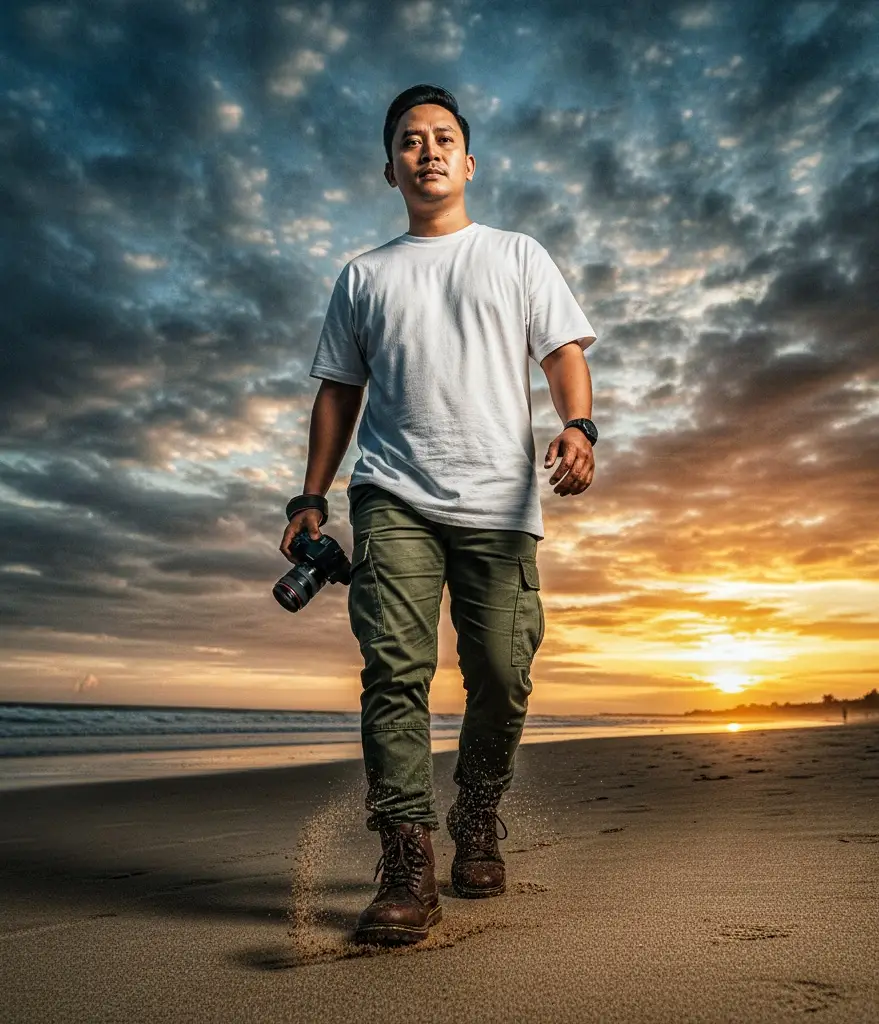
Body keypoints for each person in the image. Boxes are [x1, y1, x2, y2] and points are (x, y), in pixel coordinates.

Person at [279, 84, 598, 946]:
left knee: (501, 667)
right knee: (395, 672)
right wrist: (310, 495)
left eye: (443, 138)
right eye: (410, 141)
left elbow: (561, 353)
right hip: (391, 495)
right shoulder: (364, 275)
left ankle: (479, 808)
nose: (427, 150)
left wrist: (578, 424)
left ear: (468, 162)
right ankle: (406, 862)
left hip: (500, 499)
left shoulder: (515, 254)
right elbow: (338, 394)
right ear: (390, 168)